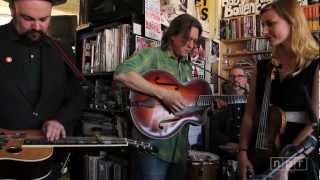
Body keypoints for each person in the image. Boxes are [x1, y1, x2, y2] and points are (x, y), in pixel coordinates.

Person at [0, 0, 84, 179]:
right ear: (13, 9)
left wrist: (60, 120)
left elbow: (77, 95)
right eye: (28, 18)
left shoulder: (61, 50)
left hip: (46, 161)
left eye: (44, 19)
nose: (37, 27)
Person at [114, 14, 202, 180]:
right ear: (173, 35)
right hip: (153, 148)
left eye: (194, 41)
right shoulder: (152, 54)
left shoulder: (187, 66)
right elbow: (122, 74)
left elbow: (185, 106)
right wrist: (163, 93)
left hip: (180, 150)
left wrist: (205, 109)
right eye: (187, 39)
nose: (191, 45)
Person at [238, 0, 319, 180]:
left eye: (270, 24)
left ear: (292, 22)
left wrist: (284, 164)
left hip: (299, 160)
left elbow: (315, 123)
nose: (264, 31)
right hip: (260, 155)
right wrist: (243, 152)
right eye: (263, 24)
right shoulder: (262, 67)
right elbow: (249, 115)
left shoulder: (316, 65)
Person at [210, 66, 248, 180]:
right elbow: (214, 130)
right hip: (224, 154)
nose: (236, 79)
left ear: (246, 80)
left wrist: (241, 147)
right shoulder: (220, 102)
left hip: (247, 155)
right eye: (232, 76)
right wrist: (227, 144)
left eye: (240, 76)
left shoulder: (253, 103)